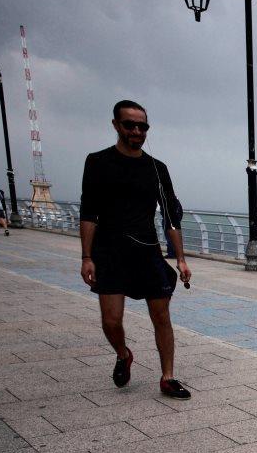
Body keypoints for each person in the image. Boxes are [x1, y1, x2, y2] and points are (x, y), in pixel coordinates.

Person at [79, 99, 192, 399]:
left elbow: (170, 217)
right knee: (111, 320)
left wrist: (180, 259)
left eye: (143, 126)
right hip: (110, 252)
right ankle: (122, 353)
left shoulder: (157, 168)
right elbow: (89, 212)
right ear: (116, 125)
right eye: (130, 124)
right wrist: (86, 256)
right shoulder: (98, 162)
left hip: (147, 252)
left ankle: (168, 377)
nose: (137, 131)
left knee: (162, 317)